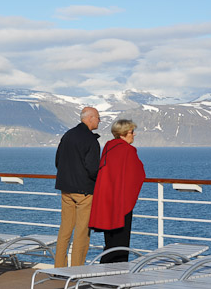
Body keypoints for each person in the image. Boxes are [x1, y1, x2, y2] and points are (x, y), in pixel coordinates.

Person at [89, 119, 146, 263]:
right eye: (132, 132)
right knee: (121, 241)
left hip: (107, 200)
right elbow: (138, 174)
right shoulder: (128, 150)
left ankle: (105, 272)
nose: (134, 134)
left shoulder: (109, 147)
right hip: (121, 202)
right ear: (124, 133)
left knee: (110, 241)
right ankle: (119, 276)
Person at [54, 107, 101, 267]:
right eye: (98, 118)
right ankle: (77, 269)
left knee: (65, 230)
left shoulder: (68, 135)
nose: (99, 121)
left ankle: (59, 267)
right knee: (82, 232)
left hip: (66, 189)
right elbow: (93, 168)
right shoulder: (91, 140)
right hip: (84, 192)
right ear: (90, 118)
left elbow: (58, 162)